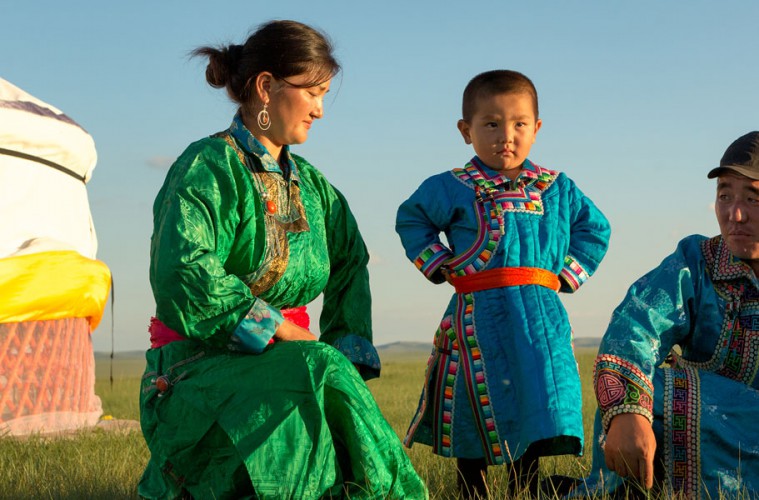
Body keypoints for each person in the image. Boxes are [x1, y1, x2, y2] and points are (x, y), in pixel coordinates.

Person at [138, 20, 427, 499]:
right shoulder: (207, 167)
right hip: (195, 369)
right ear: (266, 87)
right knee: (315, 367)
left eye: (324, 94)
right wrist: (274, 328)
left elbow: (351, 262)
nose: (319, 109)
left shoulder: (315, 190)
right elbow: (182, 268)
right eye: (312, 92)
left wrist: (343, 345)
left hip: (292, 360)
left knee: (321, 367)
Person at [396, 69, 611, 498]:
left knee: (535, 400)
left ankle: (523, 489)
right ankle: (470, 489)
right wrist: (438, 264)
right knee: (473, 404)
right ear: (466, 130)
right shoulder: (450, 187)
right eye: (491, 124)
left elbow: (596, 229)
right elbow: (411, 218)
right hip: (477, 314)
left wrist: (566, 275)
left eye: (519, 124)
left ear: (537, 128)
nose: (505, 136)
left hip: (540, 315)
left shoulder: (557, 188)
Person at [567, 131, 759, 498]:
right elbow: (636, 324)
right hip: (708, 425)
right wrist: (628, 412)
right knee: (640, 394)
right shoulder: (697, 263)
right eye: (724, 196)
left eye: (753, 197)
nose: (735, 214)